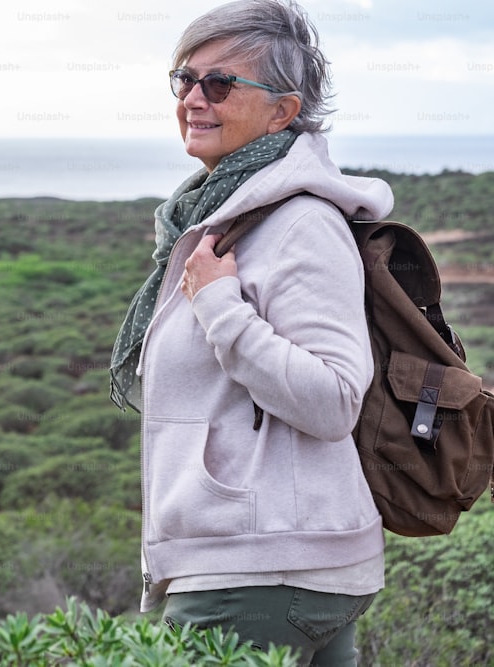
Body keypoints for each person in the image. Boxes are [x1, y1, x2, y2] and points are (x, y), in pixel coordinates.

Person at [108, 1, 392, 664]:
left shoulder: (299, 223)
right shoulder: (220, 216)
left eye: (220, 83)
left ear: (283, 112)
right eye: (185, 79)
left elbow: (334, 398)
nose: (194, 98)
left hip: (256, 569)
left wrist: (218, 304)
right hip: (272, 560)